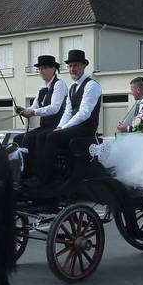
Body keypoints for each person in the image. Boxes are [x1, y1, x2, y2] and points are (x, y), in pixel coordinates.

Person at [28, 49, 102, 185]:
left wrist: (63, 128)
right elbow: (67, 112)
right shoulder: (72, 87)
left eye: (76, 66)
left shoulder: (91, 86)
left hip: (85, 128)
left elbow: (84, 113)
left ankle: (44, 178)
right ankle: (33, 173)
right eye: (70, 66)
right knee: (42, 136)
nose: (72, 69)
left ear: (84, 66)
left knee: (51, 136)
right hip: (73, 126)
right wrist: (60, 126)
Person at [15, 54, 67, 176]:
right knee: (19, 139)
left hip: (56, 126)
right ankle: (23, 172)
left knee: (39, 138)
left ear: (53, 69)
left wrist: (32, 112)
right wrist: (23, 110)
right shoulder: (42, 88)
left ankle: (41, 175)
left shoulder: (59, 84)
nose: (40, 71)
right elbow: (35, 107)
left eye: (44, 68)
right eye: (39, 68)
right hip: (44, 126)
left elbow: (54, 108)